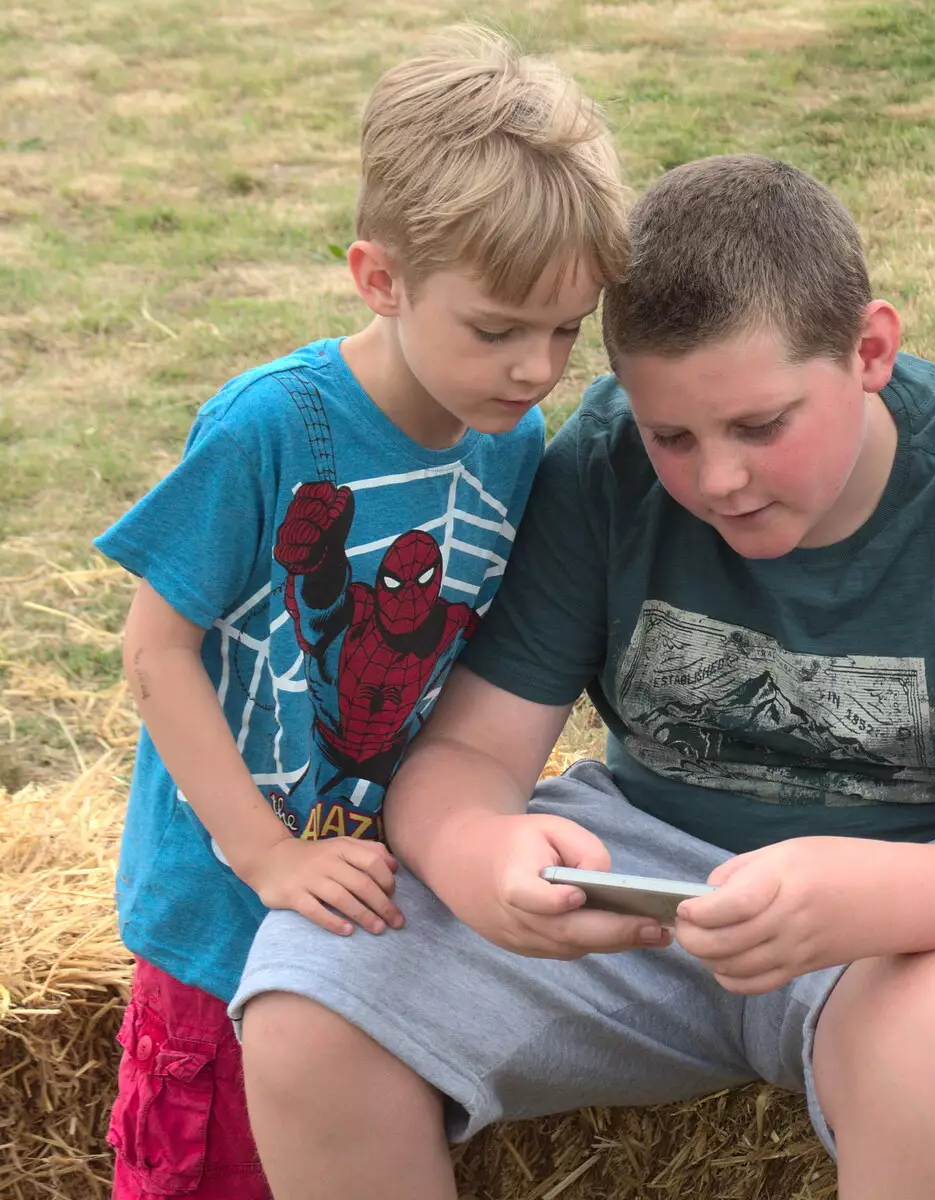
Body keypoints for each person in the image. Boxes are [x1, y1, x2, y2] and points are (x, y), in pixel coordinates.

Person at [231, 153, 935, 1200]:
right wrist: (480, 854)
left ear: (871, 349)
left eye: (761, 426)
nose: (719, 479)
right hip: (645, 881)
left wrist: (862, 898)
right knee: (312, 998)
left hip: (914, 909)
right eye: (673, 435)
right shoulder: (606, 457)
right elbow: (471, 753)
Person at [93, 28, 628, 1200]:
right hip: (224, 914)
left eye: (566, 332)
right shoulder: (271, 427)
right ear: (379, 278)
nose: (538, 368)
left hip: (373, 918)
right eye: (498, 329)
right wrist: (266, 853)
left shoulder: (510, 439)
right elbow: (154, 650)